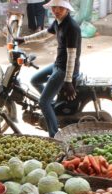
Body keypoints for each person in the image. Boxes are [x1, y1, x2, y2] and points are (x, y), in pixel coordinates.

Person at [15, 0, 80, 138]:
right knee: (35, 80)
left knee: (43, 102)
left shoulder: (71, 27)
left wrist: (68, 81)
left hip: (65, 68)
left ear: (67, 10)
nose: (56, 10)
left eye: (60, 8)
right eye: (54, 7)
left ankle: (54, 136)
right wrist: (24, 39)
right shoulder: (58, 22)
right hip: (58, 64)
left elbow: (72, 56)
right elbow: (45, 33)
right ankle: (52, 105)